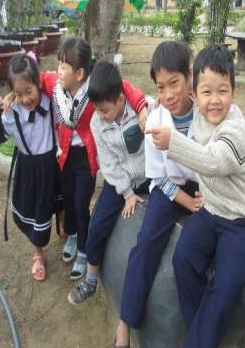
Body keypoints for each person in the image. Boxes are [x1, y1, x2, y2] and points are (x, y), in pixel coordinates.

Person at [148, 43, 245, 348]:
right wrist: (143, 108)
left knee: (226, 286)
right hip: (210, 212)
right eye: (206, 92)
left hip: (239, 221)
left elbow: (213, 162)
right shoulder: (197, 115)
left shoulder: (235, 128)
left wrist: (172, 143)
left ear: (234, 93)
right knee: (183, 259)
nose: (214, 101)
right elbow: (163, 102)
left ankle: (198, 340)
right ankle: (203, 333)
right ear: (194, 95)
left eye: (222, 91)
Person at [114, 40, 202, 348]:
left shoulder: (207, 110)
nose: (167, 95)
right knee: (148, 241)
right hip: (168, 188)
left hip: (205, 184)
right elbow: (158, 178)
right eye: (160, 87)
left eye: (174, 83)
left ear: (190, 76)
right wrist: (188, 202)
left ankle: (200, 330)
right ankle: (126, 319)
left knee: (211, 243)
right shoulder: (156, 120)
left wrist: (203, 197)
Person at [39, 37, 148, 280]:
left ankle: (84, 249)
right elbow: (38, 78)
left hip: (87, 157)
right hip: (65, 155)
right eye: (58, 65)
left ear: (79, 73)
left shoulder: (96, 91)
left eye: (63, 67)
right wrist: (13, 93)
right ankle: (75, 235)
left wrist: (142, 108)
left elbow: (126, 88)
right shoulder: (59, 89)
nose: (58, 71)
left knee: (81, 203)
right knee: (69, 201)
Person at [67, 59, 151, 305]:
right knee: (97, 224)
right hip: (121, 183)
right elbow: (109, 164)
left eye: (104, 109)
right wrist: (126, 193)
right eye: (96, 108)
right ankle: (91, 279)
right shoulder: (96, 123)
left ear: (121, 99)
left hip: (149, 178)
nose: (100, 115)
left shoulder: (142, 112)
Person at [0, 53, 59, 282]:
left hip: (52, 165)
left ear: (39, 84)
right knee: (34, 212)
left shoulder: (53, 100)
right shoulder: (12, 112)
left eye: (29, 91)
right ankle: (38, 253)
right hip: (29, 170)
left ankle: (65, 229)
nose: (25, 99)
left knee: (58, 202)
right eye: (18, 94)